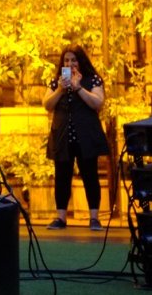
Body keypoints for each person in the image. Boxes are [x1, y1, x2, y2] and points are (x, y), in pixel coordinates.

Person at [43, 45, 109, 230]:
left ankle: (94, 218)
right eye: (66, 60)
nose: (70, 64)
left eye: (74, 60)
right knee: (61, 176)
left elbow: (97, 103)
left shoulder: (92, 79)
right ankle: (61, 218)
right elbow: (46, 105)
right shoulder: (56, 82)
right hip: (63, 135)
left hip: (86, 135)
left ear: (81, 61)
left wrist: (78, 88)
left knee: (90, 175)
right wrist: (60, 91)